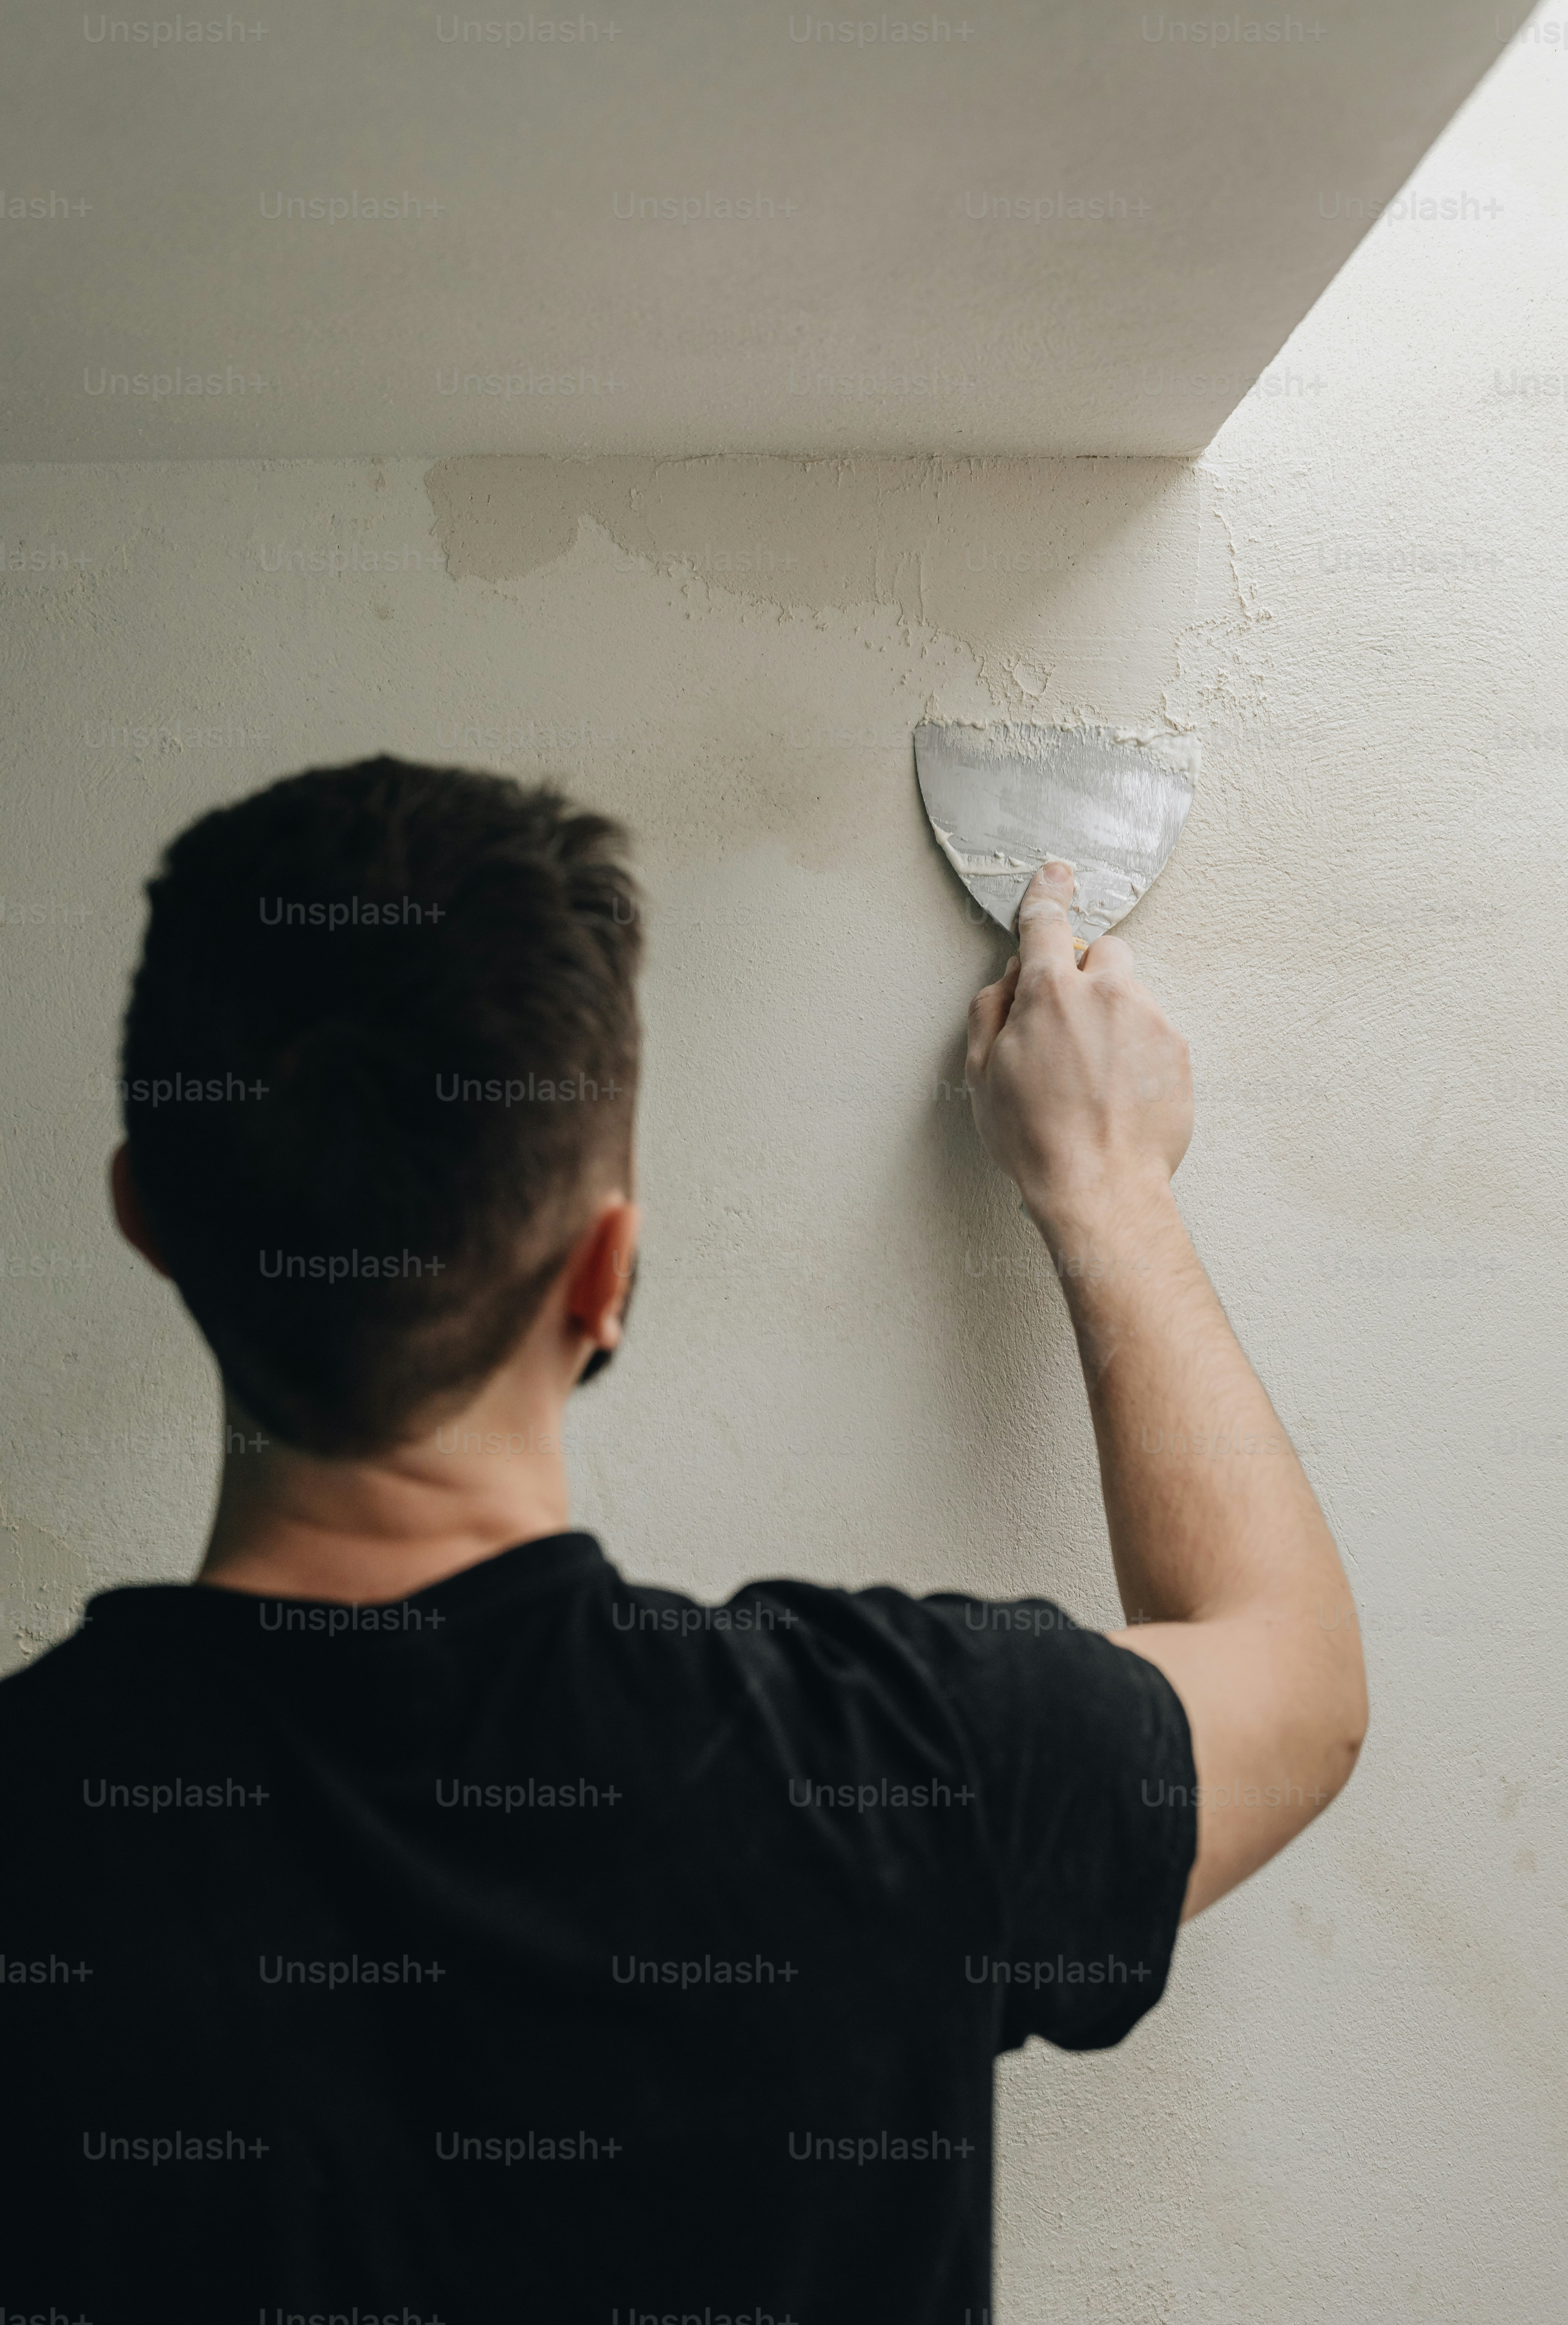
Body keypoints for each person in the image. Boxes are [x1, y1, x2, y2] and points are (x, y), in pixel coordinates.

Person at [0, 755, 1366, 2325]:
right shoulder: (892, 1765)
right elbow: (1298, 1672)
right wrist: (1112, 1189)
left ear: (145, 1220)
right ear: (606, 1274)